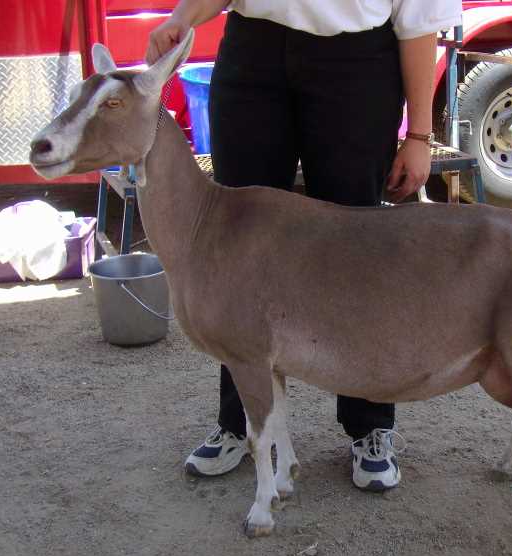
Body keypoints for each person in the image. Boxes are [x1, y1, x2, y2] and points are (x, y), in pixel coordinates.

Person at [147, 0, 462, 491]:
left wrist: (419, 134)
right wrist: (181, 18)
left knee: (356, 254)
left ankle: (370, 425)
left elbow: (420, 21)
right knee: (237, 251)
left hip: (356, 66)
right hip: (254, 55)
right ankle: (243, 422)